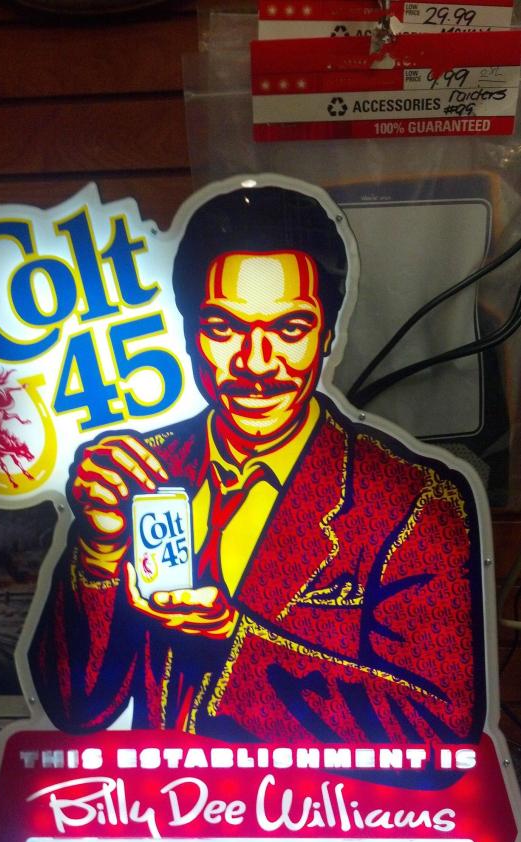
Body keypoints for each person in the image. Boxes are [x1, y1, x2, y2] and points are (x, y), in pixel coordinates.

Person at [29, 182, 486, 744]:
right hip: (155, 798)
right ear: (190, 333)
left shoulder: (413, 501)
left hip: (324, 802)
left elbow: (439, 724)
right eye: (225, 328)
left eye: (289, 329)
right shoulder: (141, 471)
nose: (257, 363)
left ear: (327, 334)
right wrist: (99, 553)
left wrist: (233, 643)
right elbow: (76, 707)